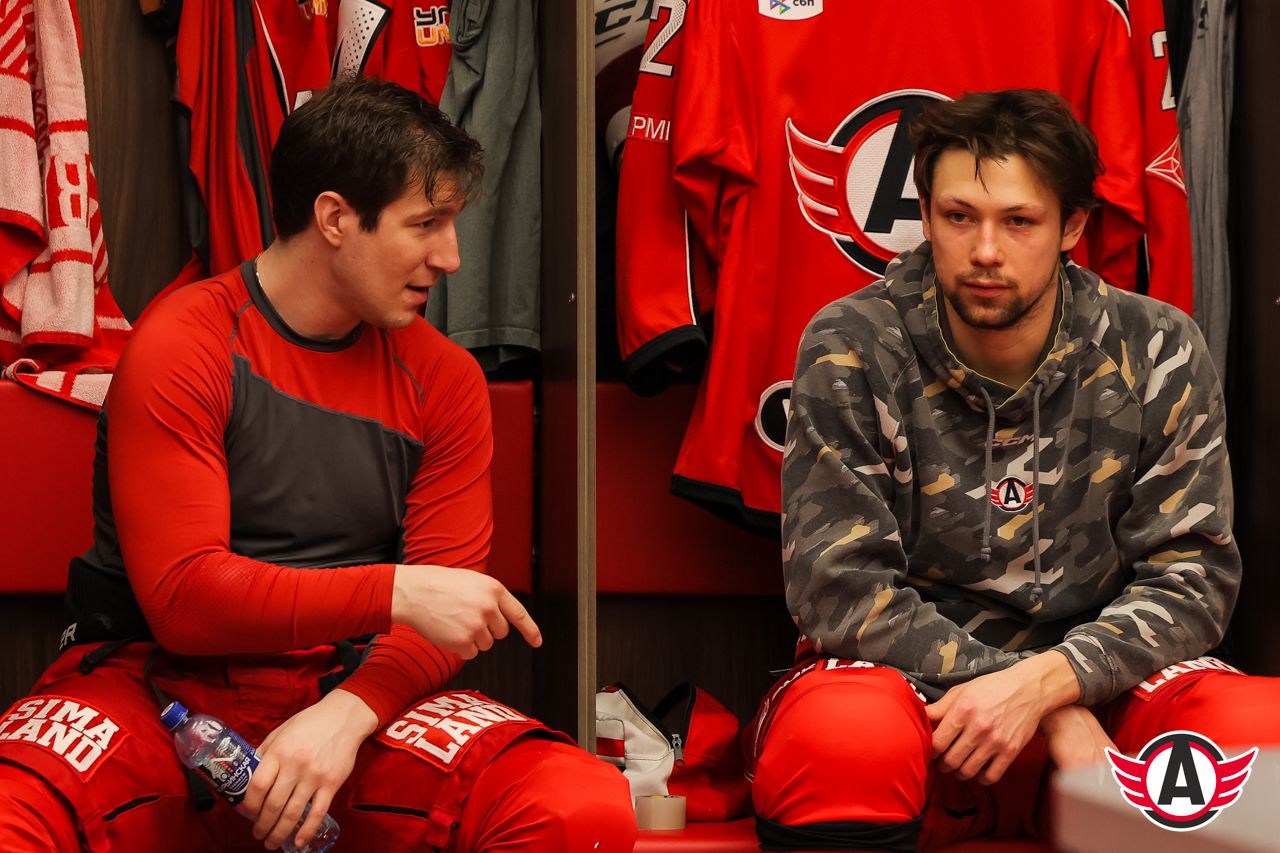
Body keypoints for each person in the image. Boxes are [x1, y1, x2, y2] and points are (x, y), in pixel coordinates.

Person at [0, 76, 636, 852]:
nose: (451, 257)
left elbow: (444, 620)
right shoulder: (187, 342)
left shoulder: (444, 379)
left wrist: (348, 713)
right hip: (154, 694)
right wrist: (399, 590)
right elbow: (185, 599)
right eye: (426, 224)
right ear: (334, 218)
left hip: (348, 694)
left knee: (573, 805)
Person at [748, 88, 1279, 850]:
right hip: (920, 709)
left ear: (1073, 226)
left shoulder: (1157, 345)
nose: (986, 251)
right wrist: (1039, 705)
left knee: (1258, 729)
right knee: (840, 739)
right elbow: (839, 589)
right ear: (926, 216)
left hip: (1104, 716)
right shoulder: (853, 343)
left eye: (1019, 221)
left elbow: (1192, 578)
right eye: (959, 216)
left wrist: (1053, 682)